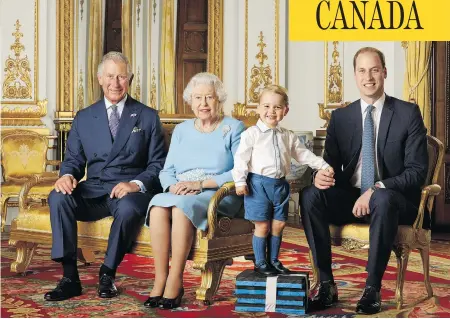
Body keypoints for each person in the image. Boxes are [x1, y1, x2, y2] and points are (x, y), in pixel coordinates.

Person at [300, 47, 428, 314]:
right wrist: (320, 175)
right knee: (310, 194)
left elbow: (416, 172)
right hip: (352, 198)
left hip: (395, 200)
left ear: (384, 72)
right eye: (361, 70)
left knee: (381, 197)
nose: (368, 77)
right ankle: (325, 285)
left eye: (374, 70)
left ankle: (372, 289)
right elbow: (330, 165)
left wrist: (377, 188)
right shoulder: (341, 117)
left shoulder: (407, 113)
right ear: (355, 75)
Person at [45, 51, 166, 301]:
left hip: (129, 191)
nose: (115, 83)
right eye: (110, 76)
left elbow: (158, 164)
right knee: (58, 197)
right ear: (100, 78)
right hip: (95, 189)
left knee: (128, 208)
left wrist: (135, 184)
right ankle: (70, 277)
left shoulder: (148, 116)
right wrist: (67, 176)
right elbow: (74, 161)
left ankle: (107, 273)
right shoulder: (85, 117)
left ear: (130, 79)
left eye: (121, 76)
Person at [144, 72, 245, 309]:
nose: (203, 104)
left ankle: (176, 279)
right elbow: (166, 171)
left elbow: (239, 171)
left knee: (181, 209)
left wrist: (200, 185)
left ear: (219, 99)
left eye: (209, 97)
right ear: (190, 100)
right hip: (181, 191)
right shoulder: (181, 130)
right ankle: (160, 278)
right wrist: (173, 186)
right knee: (158, 205)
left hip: (217, 194)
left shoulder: (234, 128)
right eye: (197, 98)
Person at [232, 84, 332, 276]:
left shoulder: (287, 136)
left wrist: (322, 166)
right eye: (266, 106)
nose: (271, 111)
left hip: (280, 185)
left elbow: (304, 155)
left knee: (278, 224)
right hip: (258, 185)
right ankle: (260, 262)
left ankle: (274, 260)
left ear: (285, 111)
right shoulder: (251, 135)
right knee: (262, 225)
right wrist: (240, 181)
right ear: (258, 109)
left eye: (277, 107)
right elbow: (240, 159)